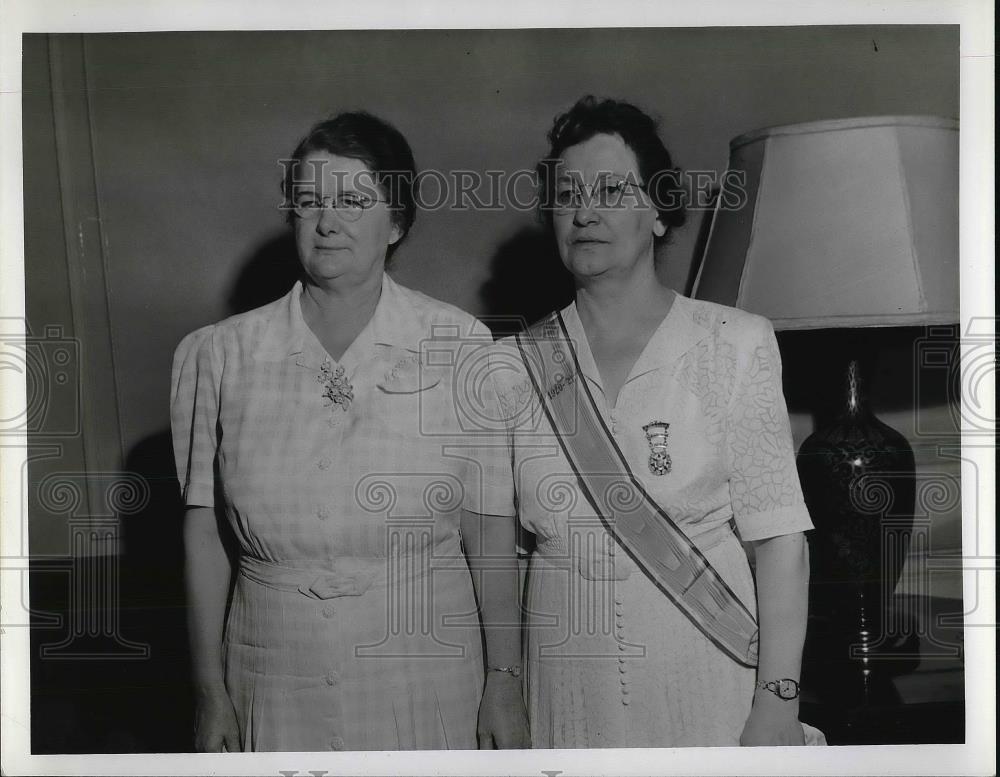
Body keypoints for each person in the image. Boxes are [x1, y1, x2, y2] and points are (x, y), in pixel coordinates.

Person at [171, 112, 528, 752]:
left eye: (353, 201)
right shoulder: (219, 355)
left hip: (426, 672)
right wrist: (208, 691)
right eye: (308, 202)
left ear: (396, 222)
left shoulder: (459, 346)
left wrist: (504, 679)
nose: (327, 222)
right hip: (272, 675)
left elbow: (488, 521)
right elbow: (204, 533)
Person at [479, 96, 821, 747]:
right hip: (566, 698)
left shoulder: (734, 343)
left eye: (611, 189)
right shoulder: (509, 368)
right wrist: (502, 683)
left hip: (709, 684)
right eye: (568, 193)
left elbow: (780, 542)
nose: (584, 211)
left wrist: (778, 703)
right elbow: (500, 552)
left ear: (659, 209)